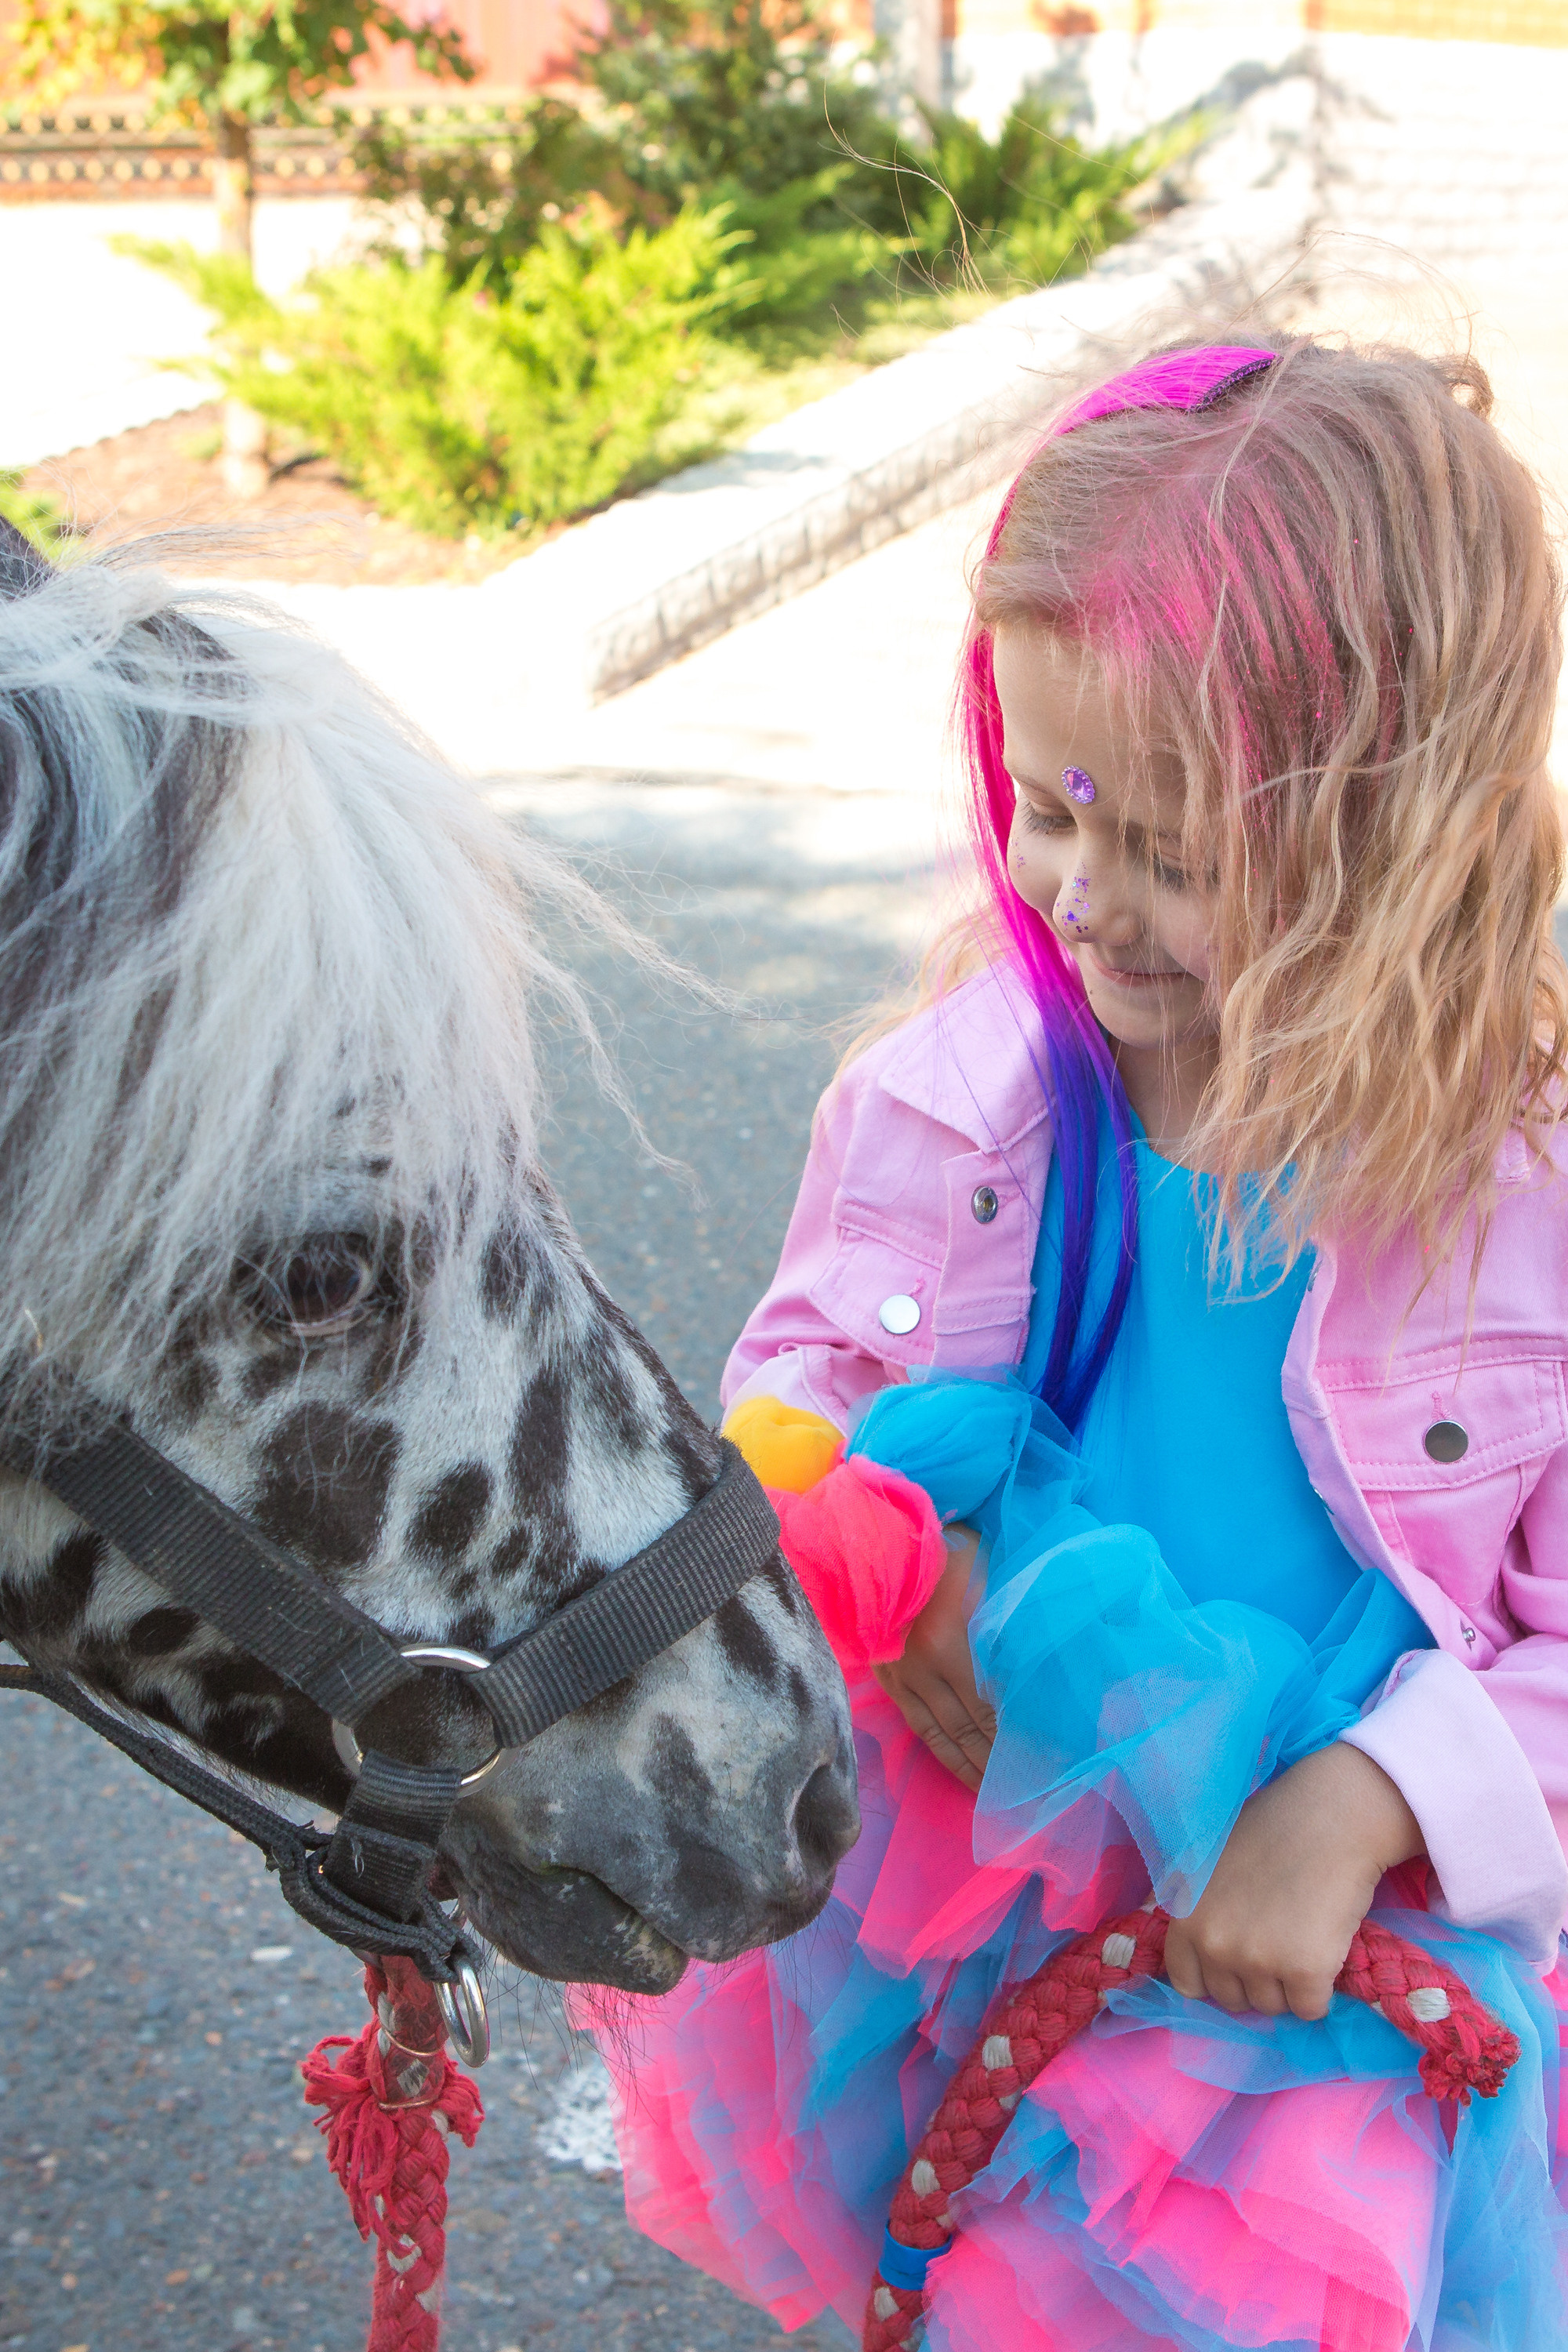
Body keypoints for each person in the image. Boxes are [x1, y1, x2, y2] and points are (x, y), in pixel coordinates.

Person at [576, 337, 1568, 2350]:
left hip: (1326, 1984)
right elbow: (800, 1391)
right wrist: (879, 1542)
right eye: (1051, 807)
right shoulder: (949, 1100)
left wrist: (1370, 1800)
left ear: (1404, 826)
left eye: (1180, 856)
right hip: (956, 1913)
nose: (1085, 900)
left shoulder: (1517, 1199)